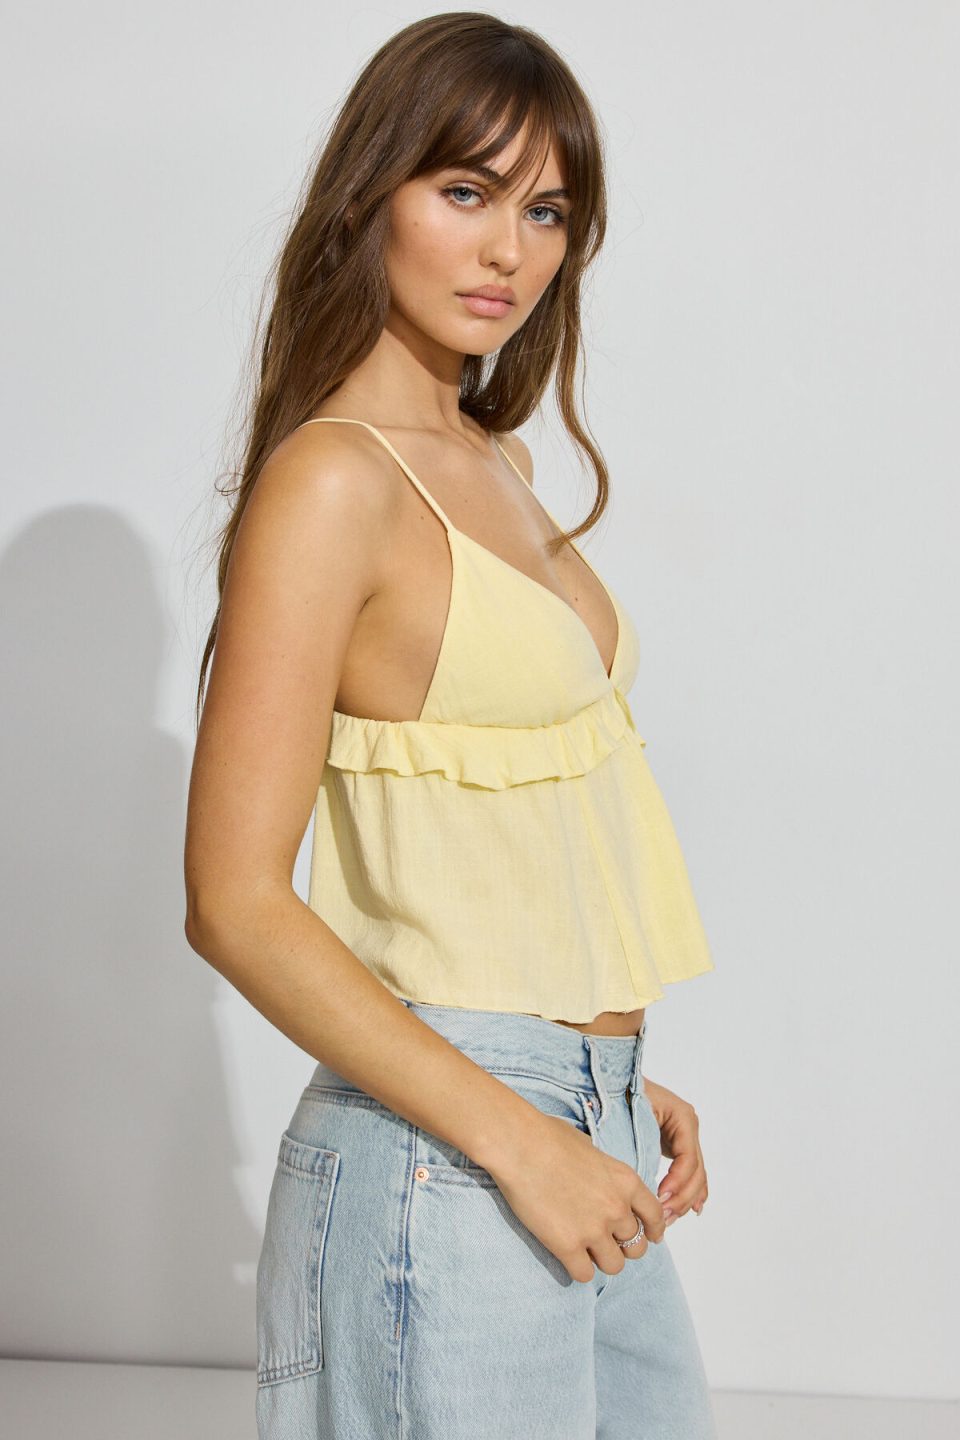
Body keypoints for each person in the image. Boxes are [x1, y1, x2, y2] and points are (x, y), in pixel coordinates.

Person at [183, 13, 718, 1439]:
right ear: (373, 194)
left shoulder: (493, 456)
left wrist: (605, 1083)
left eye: (548, 211)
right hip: (457, 1160)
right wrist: (523, 1132)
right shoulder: (333, 485)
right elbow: (234, 900)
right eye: (467, 191)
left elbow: (489, 832)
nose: (510, 251)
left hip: (579, 1126)